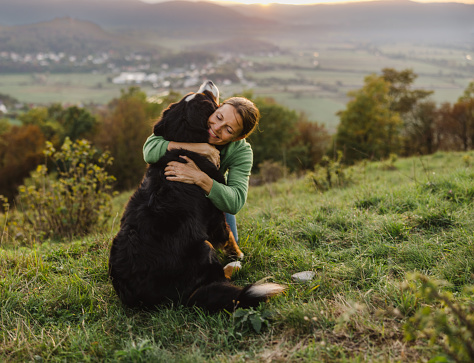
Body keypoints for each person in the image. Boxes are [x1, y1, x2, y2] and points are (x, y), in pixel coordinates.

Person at [142, 96, 260, 244]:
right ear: (216, 107)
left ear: (238, 138)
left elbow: (235, 201)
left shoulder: (241, 151)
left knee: (226, 246)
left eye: (228, 130)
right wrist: (199, 148)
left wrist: (199, 178)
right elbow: (149, 151)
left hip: (210, 201)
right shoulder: (194, 118)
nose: (217, 128)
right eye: (219, 117)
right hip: (170, 198)